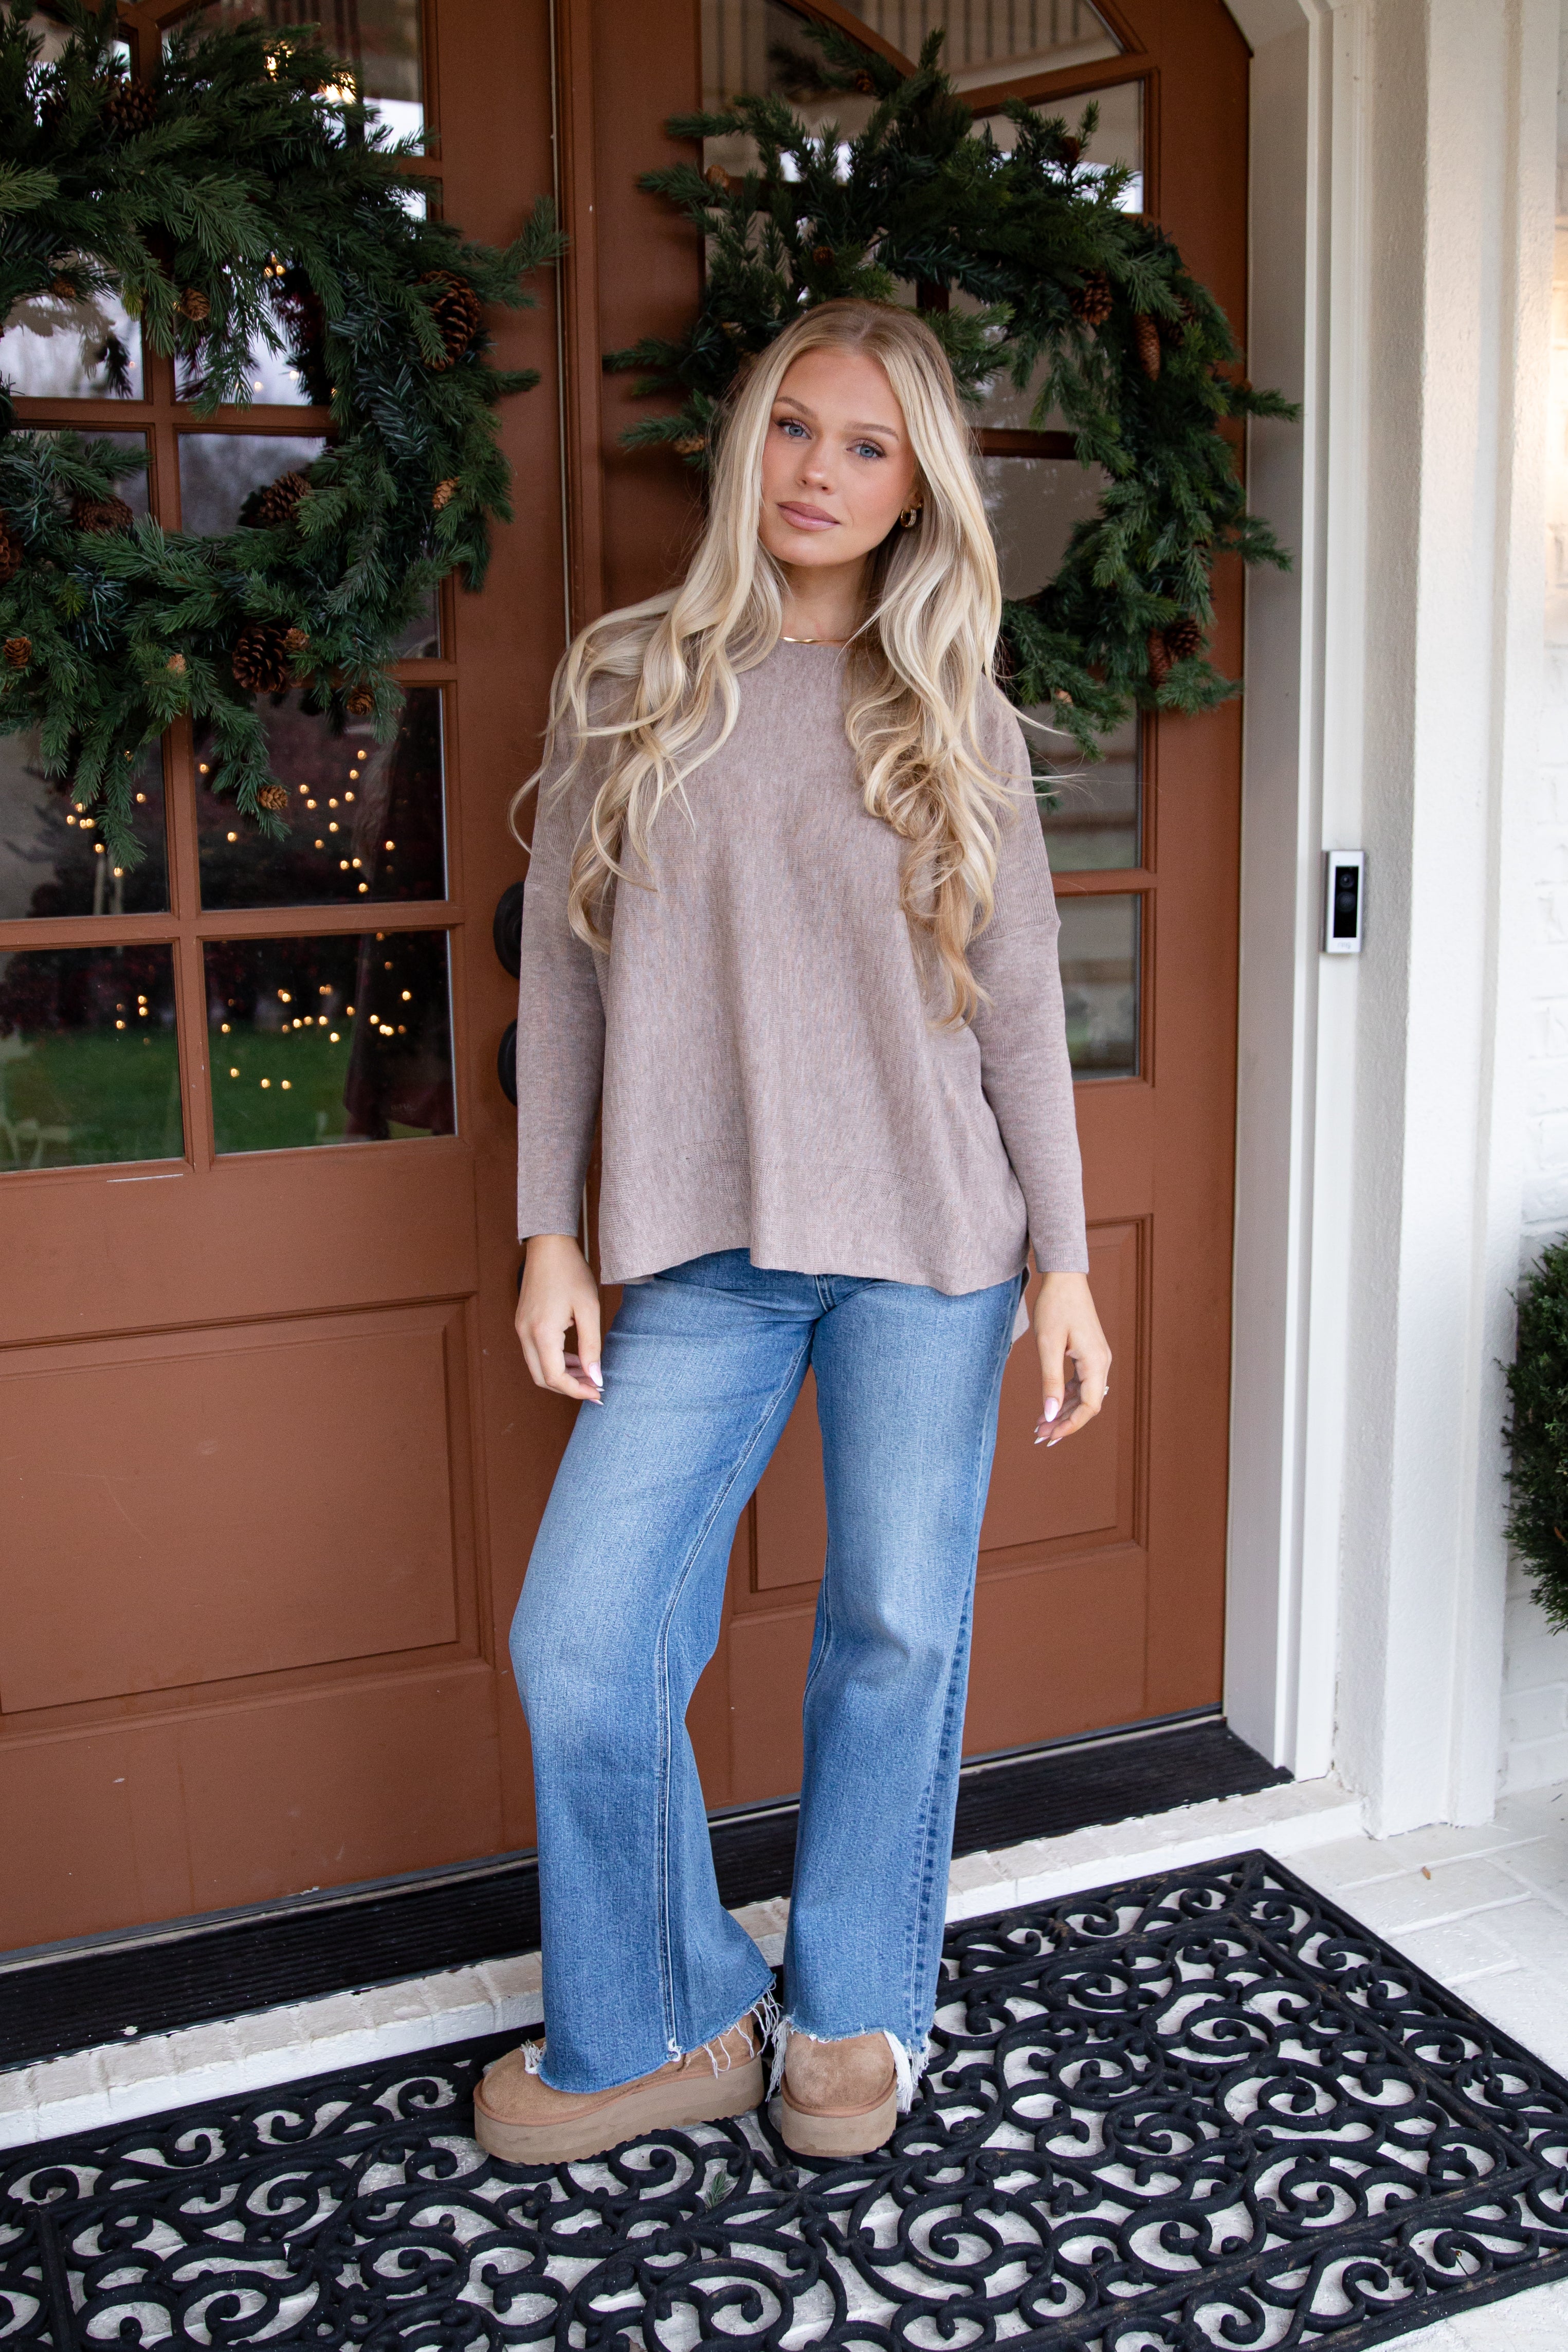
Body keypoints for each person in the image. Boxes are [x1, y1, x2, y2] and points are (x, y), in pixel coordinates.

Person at [475, 298, 1109, 2169]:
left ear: (918, 494)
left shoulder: (952, 707)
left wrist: (1062, 1262)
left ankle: (849, 2012)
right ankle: (666, 2013)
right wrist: (549, 1236)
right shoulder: (631, 682)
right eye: (792, 430)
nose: (819, 475)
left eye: (868, 447)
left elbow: (1016, 1007)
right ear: (746, 444)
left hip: (932, 1242)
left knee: (895, 1632)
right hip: (702, 1254)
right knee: (584, 1648)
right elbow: (569, 991)